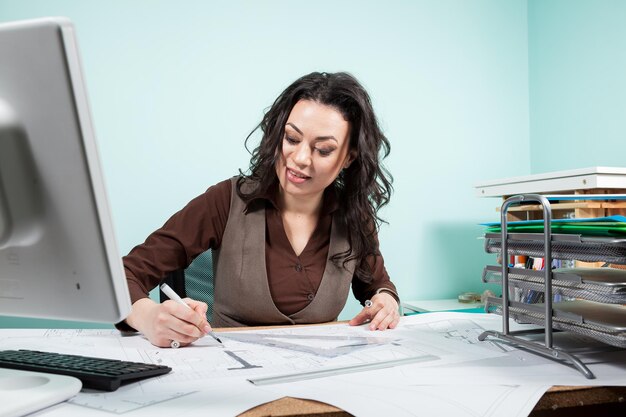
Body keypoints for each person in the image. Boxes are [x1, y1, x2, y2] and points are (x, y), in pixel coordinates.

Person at [118, 72, 400, 348]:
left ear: (348, 157)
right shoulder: (225, 200)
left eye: (323, 150)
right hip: (232, 377)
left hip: (316, 381)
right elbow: (123, 275)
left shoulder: (354, 216)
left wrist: (385, 301)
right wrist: (147, 315)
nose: (300, 159)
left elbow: (377, 287)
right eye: (291, 138)